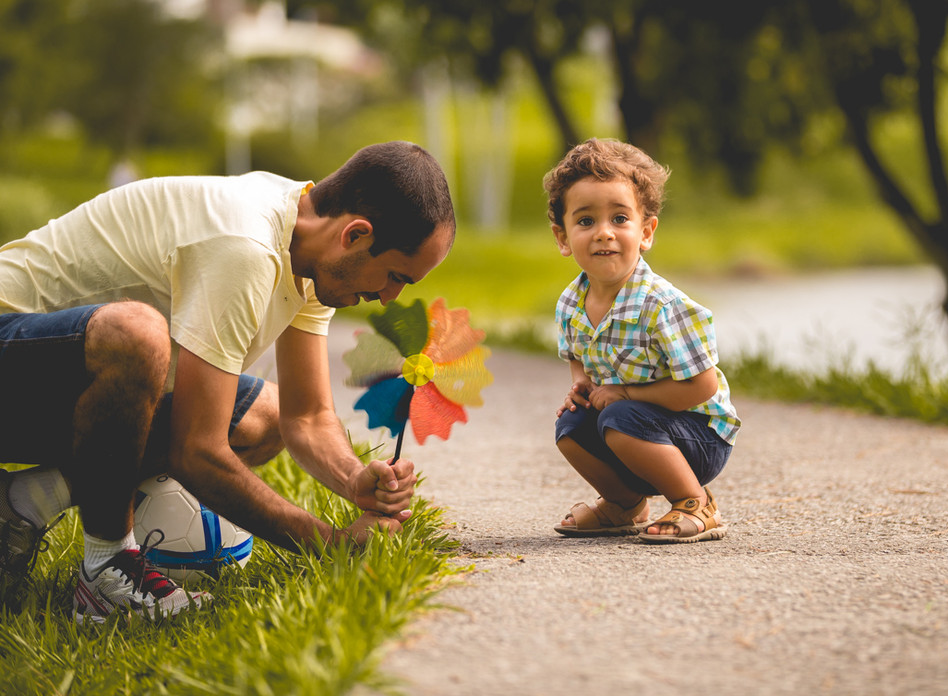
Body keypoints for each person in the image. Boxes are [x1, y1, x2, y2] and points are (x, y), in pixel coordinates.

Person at [0, 140, 455, 623]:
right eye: (395, 276)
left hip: (52, 394)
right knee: (138, 335)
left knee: (264, 417)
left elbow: (306, 416)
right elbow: (197, 452)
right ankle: (106, 566)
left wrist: (354, 479)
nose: (389, 297)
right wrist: (330, 542)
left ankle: (24, 500)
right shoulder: (246, 244)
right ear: (356, 235)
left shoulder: (312, 252)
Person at [543, 138, 740, 544]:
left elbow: (702, 386)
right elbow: (577, 355)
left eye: (619, 219)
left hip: (698, 435)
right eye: (585, 222)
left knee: (620, 417)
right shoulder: (570, 302)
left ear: (645, 231)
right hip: (633, 431)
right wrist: (581, 383)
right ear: (562, 238)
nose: (603, 234)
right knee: (571, 424)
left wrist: (626, 393)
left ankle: (695, 502)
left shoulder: (661, 306)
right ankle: (624, 504)